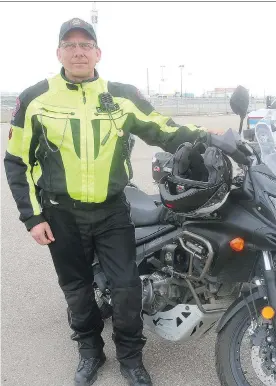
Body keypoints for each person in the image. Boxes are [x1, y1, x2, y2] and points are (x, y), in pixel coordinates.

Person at [3, 17, 214, 386]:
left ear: (98, 53)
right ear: (59, 53)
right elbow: (16, 161)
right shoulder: (37, 98)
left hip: (112, 210)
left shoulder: (121, 95)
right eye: (70, 45)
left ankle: (131, 359)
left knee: (126, 288)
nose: (78, 51)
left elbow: (163, 130)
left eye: (86, 45)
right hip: (61, 213)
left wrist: (206, 137)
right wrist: (32, 217)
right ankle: (90, 353)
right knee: (78, 290)